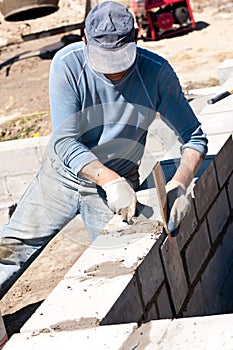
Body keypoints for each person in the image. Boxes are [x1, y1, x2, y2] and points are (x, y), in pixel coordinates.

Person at [0, 1, 208, 298]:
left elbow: (195, 137)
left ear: (136, 39)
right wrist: (108, 180)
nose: (114, 72)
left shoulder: (156, 74)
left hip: (118, 186)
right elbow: (65, 141)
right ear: (85, 40)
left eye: (121, 60)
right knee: (9, 250)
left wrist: (181, 183)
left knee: (123, 272)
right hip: (62, 178)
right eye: (104, 62)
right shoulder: (68, 64)